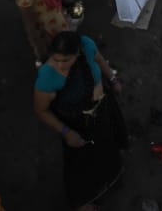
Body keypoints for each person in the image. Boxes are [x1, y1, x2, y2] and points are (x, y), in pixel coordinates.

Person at [33, 31, 127, 211]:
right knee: (81, 166)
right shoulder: (47, 77)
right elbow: (41, 110)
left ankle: (111, 177)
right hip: (78, 126)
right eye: (56, 59)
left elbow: (100, 60)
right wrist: (67, 133)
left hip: (102, 111)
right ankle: (84, 202)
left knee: (107, 146)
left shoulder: (86, 45)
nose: (59, 65)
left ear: (77, 53)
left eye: (65, 60)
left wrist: (113, 79)